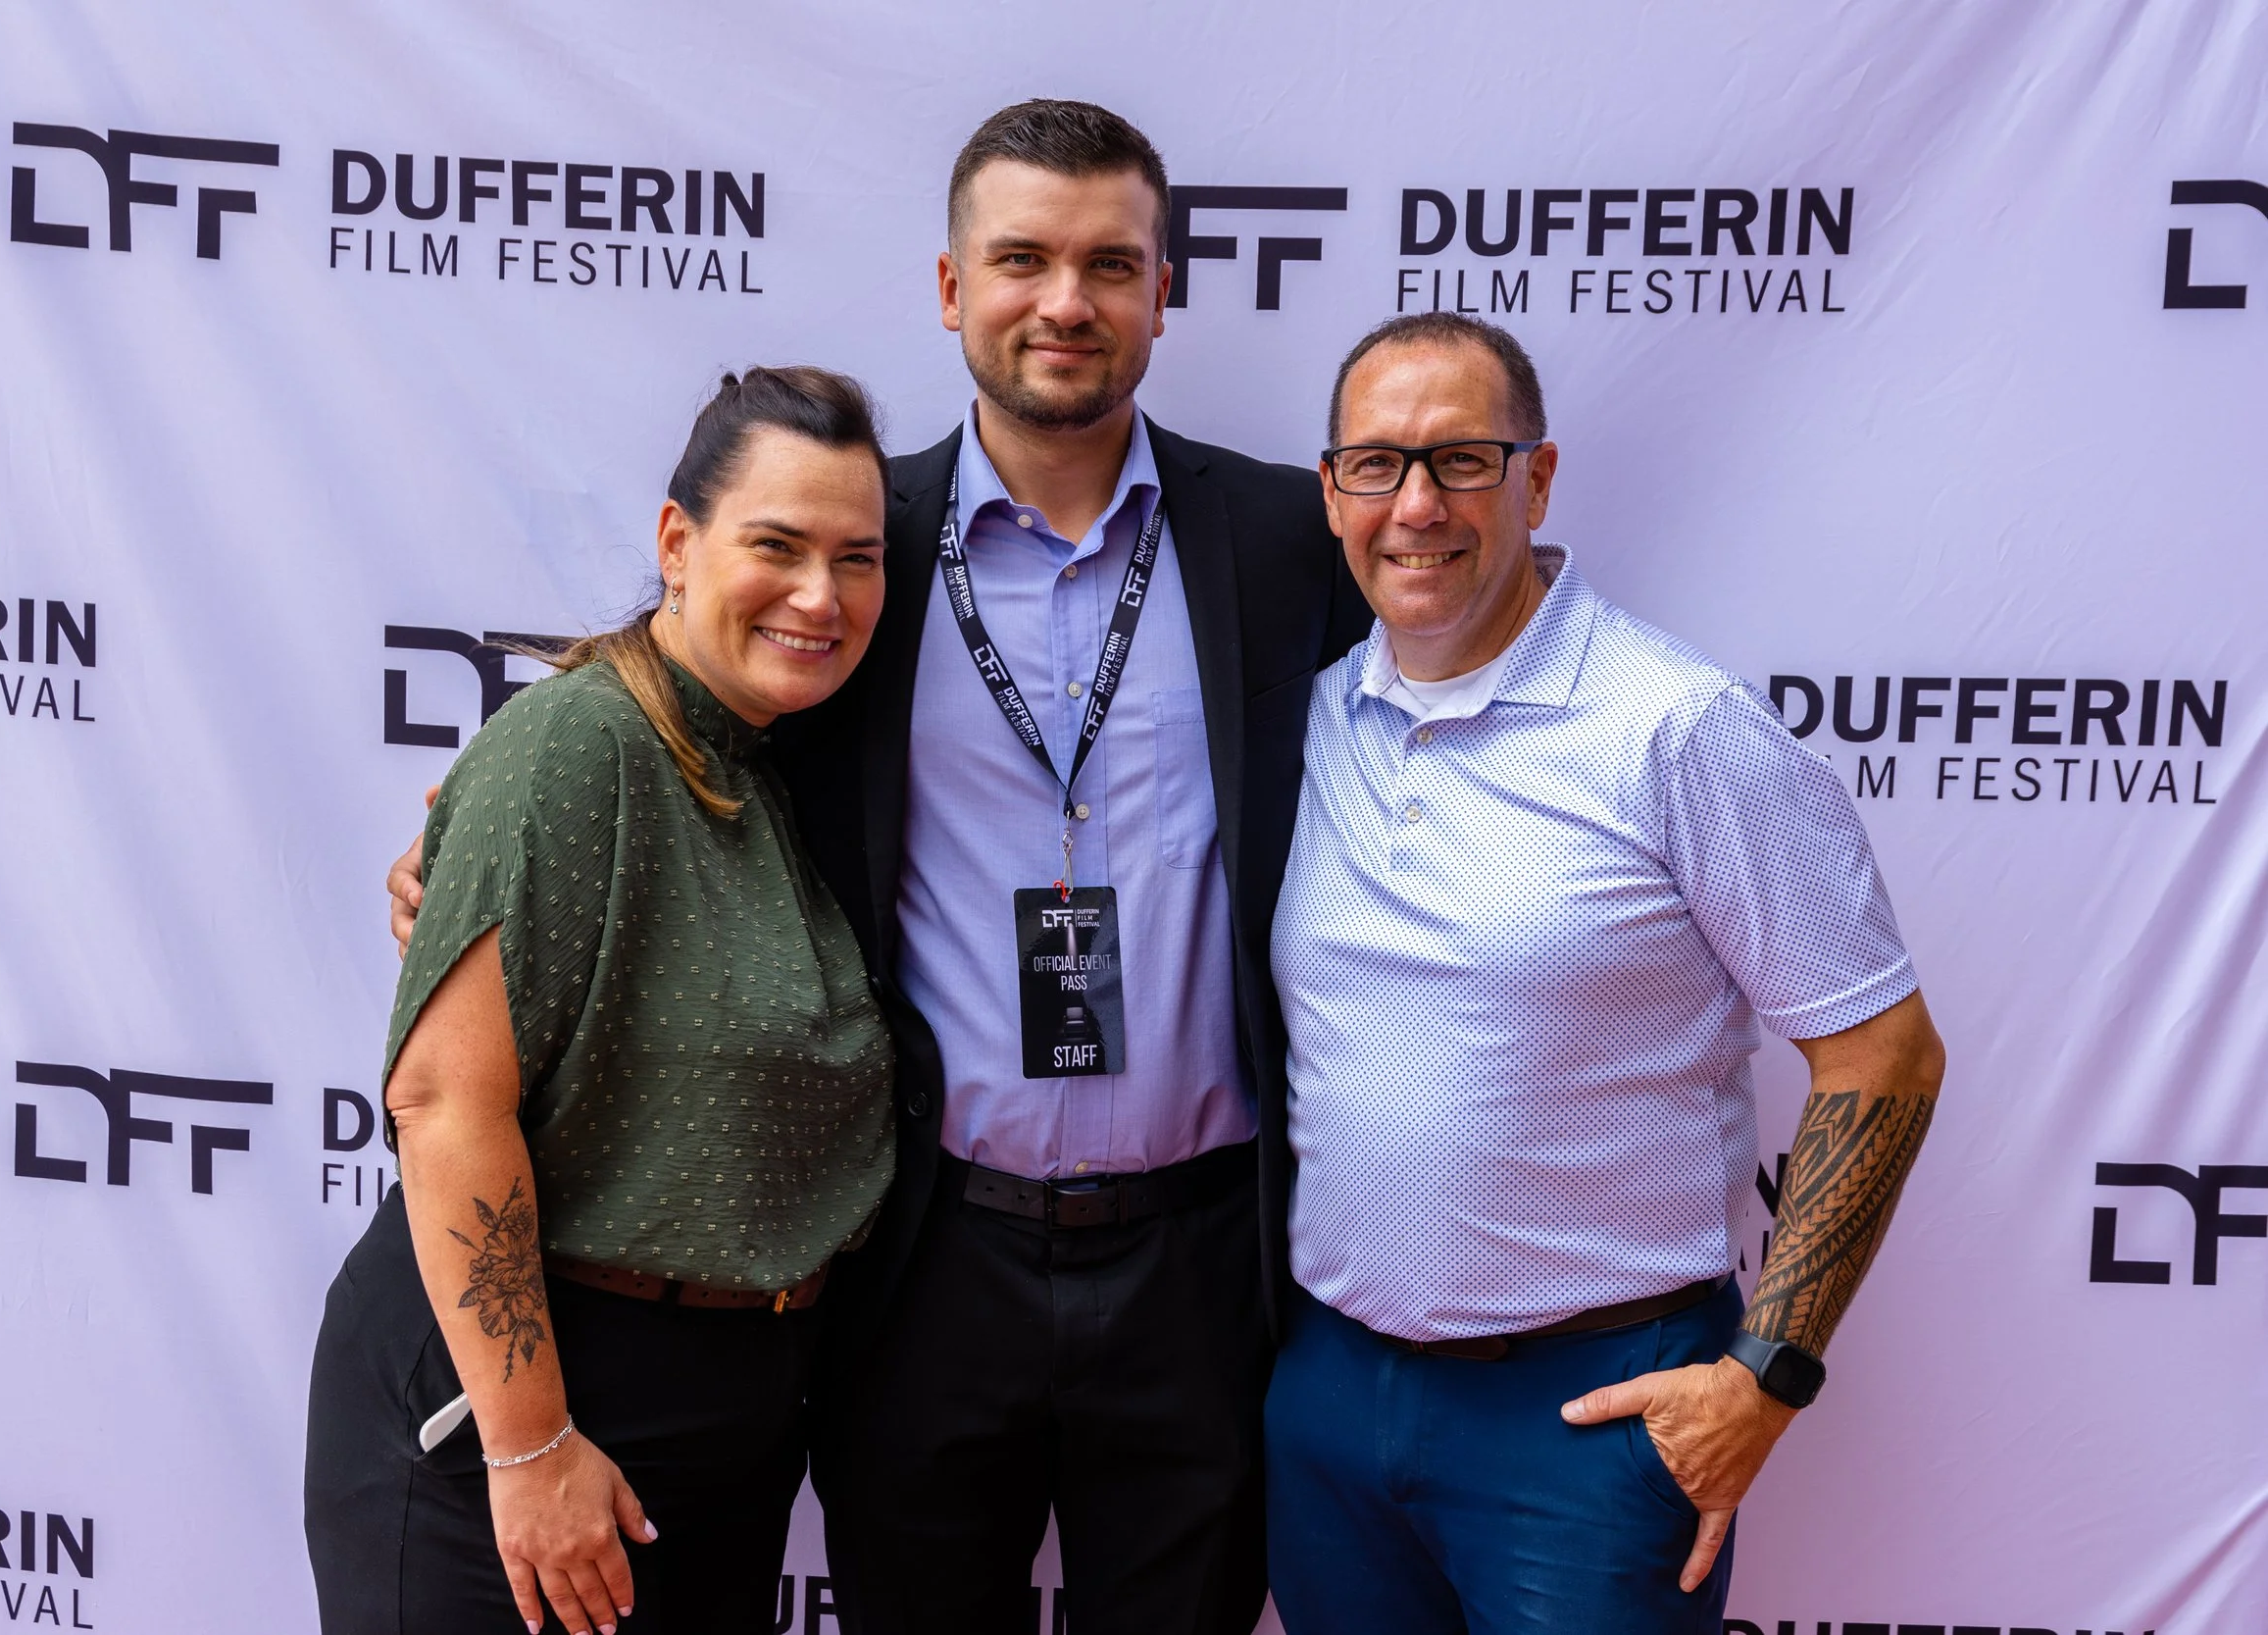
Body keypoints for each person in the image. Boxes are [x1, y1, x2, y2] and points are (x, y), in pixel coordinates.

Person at [388, 99, 1367, 1634]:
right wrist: (465, 842)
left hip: (1203, 1260)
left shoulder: (1283, 540)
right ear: (949, 287)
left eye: (1112, 263)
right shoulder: (862, 548)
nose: (1066, 300)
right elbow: (666, 701)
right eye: (1022, 258)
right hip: (924, 1263)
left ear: (1164, 292)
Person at [1261, 310, 1947, 1634]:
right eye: (1375, 465)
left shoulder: (1675, 726)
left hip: (1588, 1412)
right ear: (1332, 490)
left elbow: (1883, 1051)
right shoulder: (1312, 715)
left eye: (1463, 460)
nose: (1417, 505)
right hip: (1333, 1397)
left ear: (1540, 476)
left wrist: (1768, 1372)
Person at [310, 366, 899, 1635]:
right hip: (514, 1422)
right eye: (778, 546)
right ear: (677, 542)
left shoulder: (774, 761)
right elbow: (445, 1103)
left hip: (715, 1444)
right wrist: (527, 1449)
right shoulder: (580, 744)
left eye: (858, 557)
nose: (821, 593)